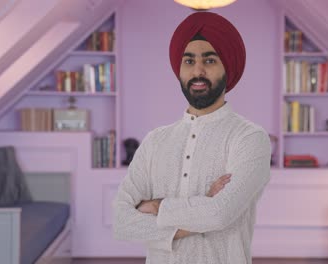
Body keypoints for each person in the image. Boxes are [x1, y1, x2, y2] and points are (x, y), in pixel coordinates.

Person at [112, 11, 271, 264]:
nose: (197, 71)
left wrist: (155, 206)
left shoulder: (250, 138)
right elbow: (121, 221)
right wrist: (204, 204)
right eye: (188, 61)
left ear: (226, 67)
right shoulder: (155, 141)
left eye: (209, 61)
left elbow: (220, 214)